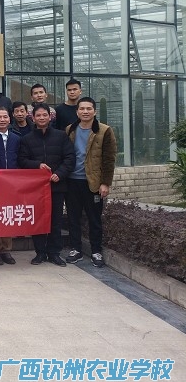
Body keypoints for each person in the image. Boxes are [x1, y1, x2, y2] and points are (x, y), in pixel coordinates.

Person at [18, 102, 75, 267]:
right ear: (33, 118)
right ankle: (40, 253)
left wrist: (60, 174)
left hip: (57, 186)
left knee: (55, 221)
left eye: (45, 115)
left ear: (50, 117)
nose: (42, 118)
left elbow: (70, 158)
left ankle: (54, 253)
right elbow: (22, 160)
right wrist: (37, 165)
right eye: (38, 115)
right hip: (36, 188)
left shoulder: (61, 136)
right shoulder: (27, 139)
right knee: (38, 220)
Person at [65, 97, 117, 268]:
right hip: (72, 181)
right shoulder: (70, 129)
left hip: (93, 183)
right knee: (73, 217)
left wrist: (105, 183)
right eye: (82, 109)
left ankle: (96, 251)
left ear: (95, 111)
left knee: (94, 219)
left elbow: (109, 159)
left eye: (89, 109)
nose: (85, 112)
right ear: (77, 112)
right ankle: (76, 249)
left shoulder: (104, 130)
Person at [0, 106, 20, 266]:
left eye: (5, 117)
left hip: (12, 182)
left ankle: (6, 250)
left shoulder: (16, 138)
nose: (2, 120)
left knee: (8, 214)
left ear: (9, 119)